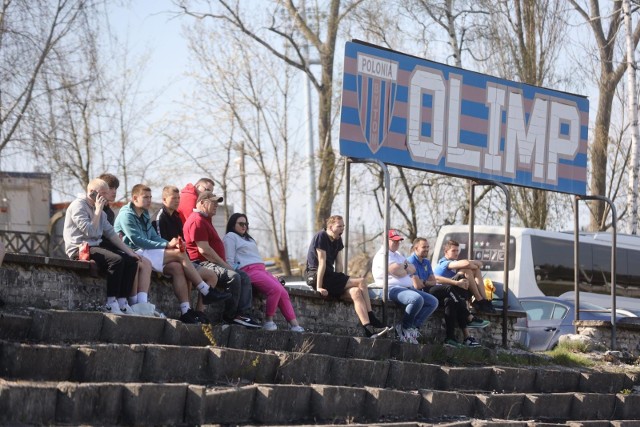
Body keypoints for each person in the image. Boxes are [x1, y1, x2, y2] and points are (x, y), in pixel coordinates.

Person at [114, 184, 226, 324]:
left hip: (146, 252)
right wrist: (168, 244)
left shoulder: (144, 214)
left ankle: (186, 310)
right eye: (145, 197)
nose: (149, 200)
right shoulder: (126, 214)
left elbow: (153, 236)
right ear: (135, 198)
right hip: (135, 252)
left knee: (177, 268)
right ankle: (205, 290)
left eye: (150, 197)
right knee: (179, 254)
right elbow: (137, 240)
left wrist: (172, 243)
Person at [63, 178, 142, 314]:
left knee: (131, 261)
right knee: (116, 260)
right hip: (80, 248)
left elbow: (111, 234)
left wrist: (130, 252)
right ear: (92, 193)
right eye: (103, 193)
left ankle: (122, 301)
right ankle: (110, 302)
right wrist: (97, 211)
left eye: (107, 193)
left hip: (94, 246)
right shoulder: (78, 206)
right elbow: (90, 231)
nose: (106, 197)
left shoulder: (100, 211)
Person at [183, 191, 260, 328]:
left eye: (217, 203)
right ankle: (229, 317)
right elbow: (204, 250)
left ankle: (242, 314)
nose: (216, 205)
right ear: (201, 203)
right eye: (212, 202)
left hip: (210, 263)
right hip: (202, 263)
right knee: (234, 276)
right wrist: (225, 265)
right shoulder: (197, 220)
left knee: (245, 277)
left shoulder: (205, 219)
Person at [305, 215, 390, 338]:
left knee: (355, 292)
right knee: (361, 281)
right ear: (330, 227)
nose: (342, 228)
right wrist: (318, 287)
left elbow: (339, 264)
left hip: (330, 277)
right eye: (339, 226)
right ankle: (372, 318)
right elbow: (322, 263)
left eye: (343, 226)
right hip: (316, 275)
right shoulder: (321, 236)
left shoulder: (338, 239)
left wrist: (342, 281)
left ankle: (368, 329)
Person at [152, 185, 230, 316]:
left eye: (178, 198)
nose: (177, 201)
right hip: (166, 258)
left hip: (183, 258)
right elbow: (160, 244)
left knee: (212, 276)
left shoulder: (177, 217)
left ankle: (199, 313)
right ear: (164, 200)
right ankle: (188, 310)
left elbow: (182, 242)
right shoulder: (160, 217)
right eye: (173, 198)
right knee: (184, 271)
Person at [223, 213, 304, 332]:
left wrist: (269, 274)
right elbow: (229, 260)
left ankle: (295, 325)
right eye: (241, 224)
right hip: (248, 270)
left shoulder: (249, 239)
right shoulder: (230, 236)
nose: (244, 226)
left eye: (246, 224)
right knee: (275, 289)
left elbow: (255, 258)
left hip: (261, 270)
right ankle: (268, 321)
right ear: (232, 224)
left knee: (283, 292)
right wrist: (237, 274)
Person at [407, 237, 488, 347]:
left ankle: (450, 338)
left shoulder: (426, 261)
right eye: (423, 247)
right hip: (420, 292)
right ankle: (469, 317)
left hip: (428, 289)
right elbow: (417, 285)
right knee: (449, 288)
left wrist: (425, 281)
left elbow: (433, 281)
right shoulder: (411, 261)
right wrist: (427, 282)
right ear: (415, 248)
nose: (426, 249)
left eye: (427, 247)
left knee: (449, 301)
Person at [98, 173, 155, 315]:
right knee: (122, 259)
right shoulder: (98, 209)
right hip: (95, 248)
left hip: (109, 246)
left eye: (115, 188)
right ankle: (119, 301)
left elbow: (110, 236)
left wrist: (124, 247)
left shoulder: (110, 212)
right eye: (110, 188)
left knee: (133, 260)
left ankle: (130, 302)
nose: (114, 192)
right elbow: (97, 236)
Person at [372, 230, 439, 344]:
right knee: (416, 299)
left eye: (399, 241)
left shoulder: (398, 255)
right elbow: (396, 271)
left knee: (433, 302)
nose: (398, 243)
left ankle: (413, 328)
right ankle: (404, 328)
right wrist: (405, 268)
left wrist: (403, 267)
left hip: (407, 288)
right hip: (391, 288)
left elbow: (413, 269)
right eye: (394, 241)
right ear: (386, 241)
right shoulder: (383, 255)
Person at [433, 239, 496, 314]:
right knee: (467, 270)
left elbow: (480, 264)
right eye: (453, 251)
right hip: (442, 290)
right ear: (446, 252)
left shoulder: (454, 262)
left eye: (457, 250)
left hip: (453, 286)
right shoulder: (444, 262)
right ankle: (479, 299)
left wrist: (474, 266)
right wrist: (473, 265)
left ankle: (484, 300)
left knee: (476, 271)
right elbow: (466, 264)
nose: (456, 253)